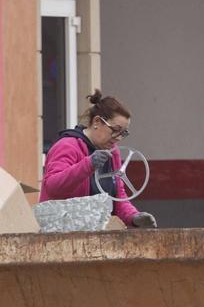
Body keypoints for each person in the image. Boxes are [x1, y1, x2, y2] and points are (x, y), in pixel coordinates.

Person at [41, 89, 157, 228]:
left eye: (123, 133)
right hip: (61, 233)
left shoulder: (112, 152)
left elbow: (118, 196)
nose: (118, 138)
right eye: (115, 130)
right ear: (97, 122)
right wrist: (88, 164)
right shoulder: (67, 146)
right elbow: (53, 187)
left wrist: (133, 216)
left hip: (95, 236)